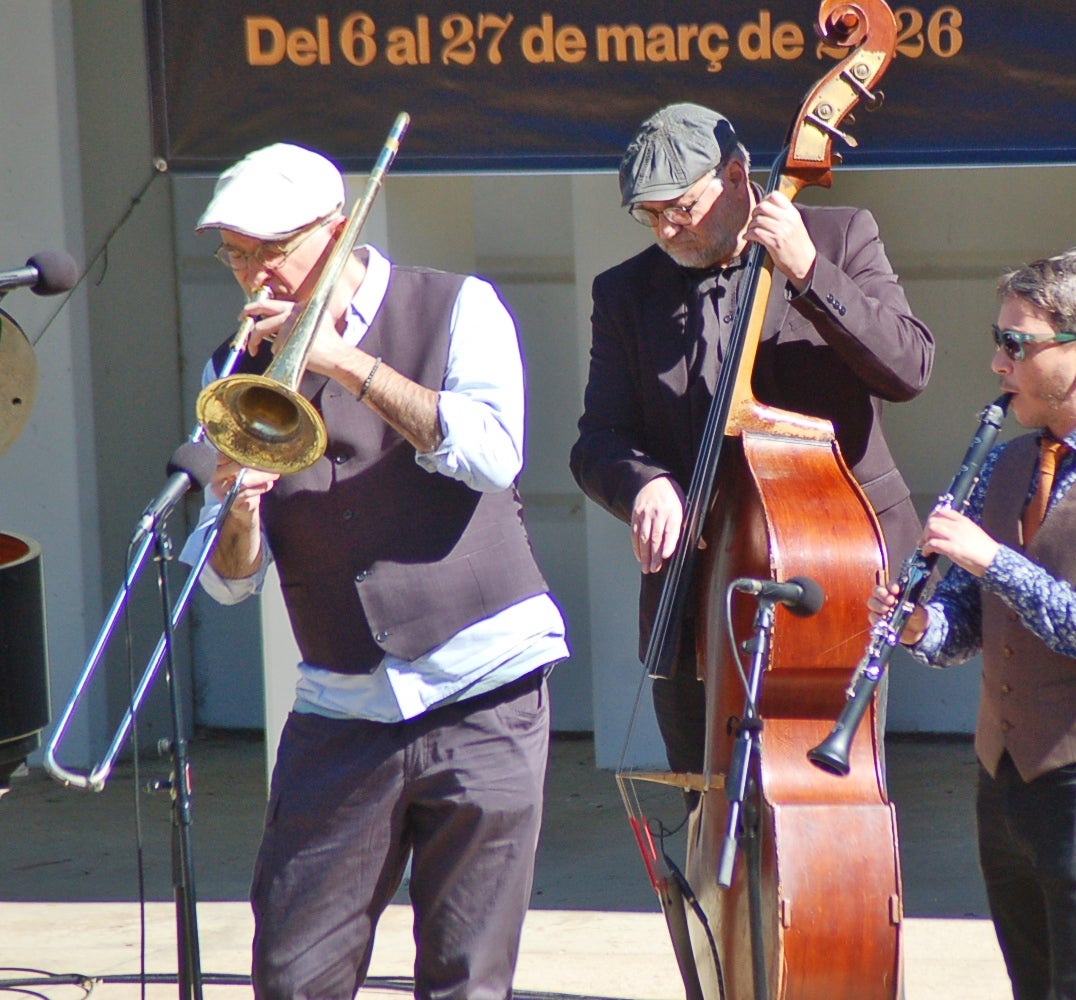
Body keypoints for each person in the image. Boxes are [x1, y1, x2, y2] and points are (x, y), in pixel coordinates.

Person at [184, 142, 568, 999]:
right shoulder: (231, 366)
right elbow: (230, 580)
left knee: (467, 979)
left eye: (269, 251)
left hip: (483, 685)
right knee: (292, 974)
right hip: (342, 705)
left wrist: (343, 361)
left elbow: (493, 453)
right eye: (235, 255)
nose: (251, 276)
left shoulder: (459, 306)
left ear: (335, 229)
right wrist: (239, 511)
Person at [871, 249, 1076, 1000]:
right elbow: (970, 623)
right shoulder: (1006, 462)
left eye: (1016, 345)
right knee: (1035, 986)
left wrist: (992, 560)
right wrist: (919, 625)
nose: (997, 362)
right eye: (999, 339)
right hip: (1004, 773)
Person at [570, 102, 935, 773]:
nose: (668, 228)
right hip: (699, 596)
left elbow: (910, 368)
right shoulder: (624, 293)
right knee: (704, 803)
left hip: (829, 574)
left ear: (738, 176)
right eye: (649, 215)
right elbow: (599, 440)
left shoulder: (839, 237)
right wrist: (644, 483)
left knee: (821, 793)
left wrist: (808, 272)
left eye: (682, 206)